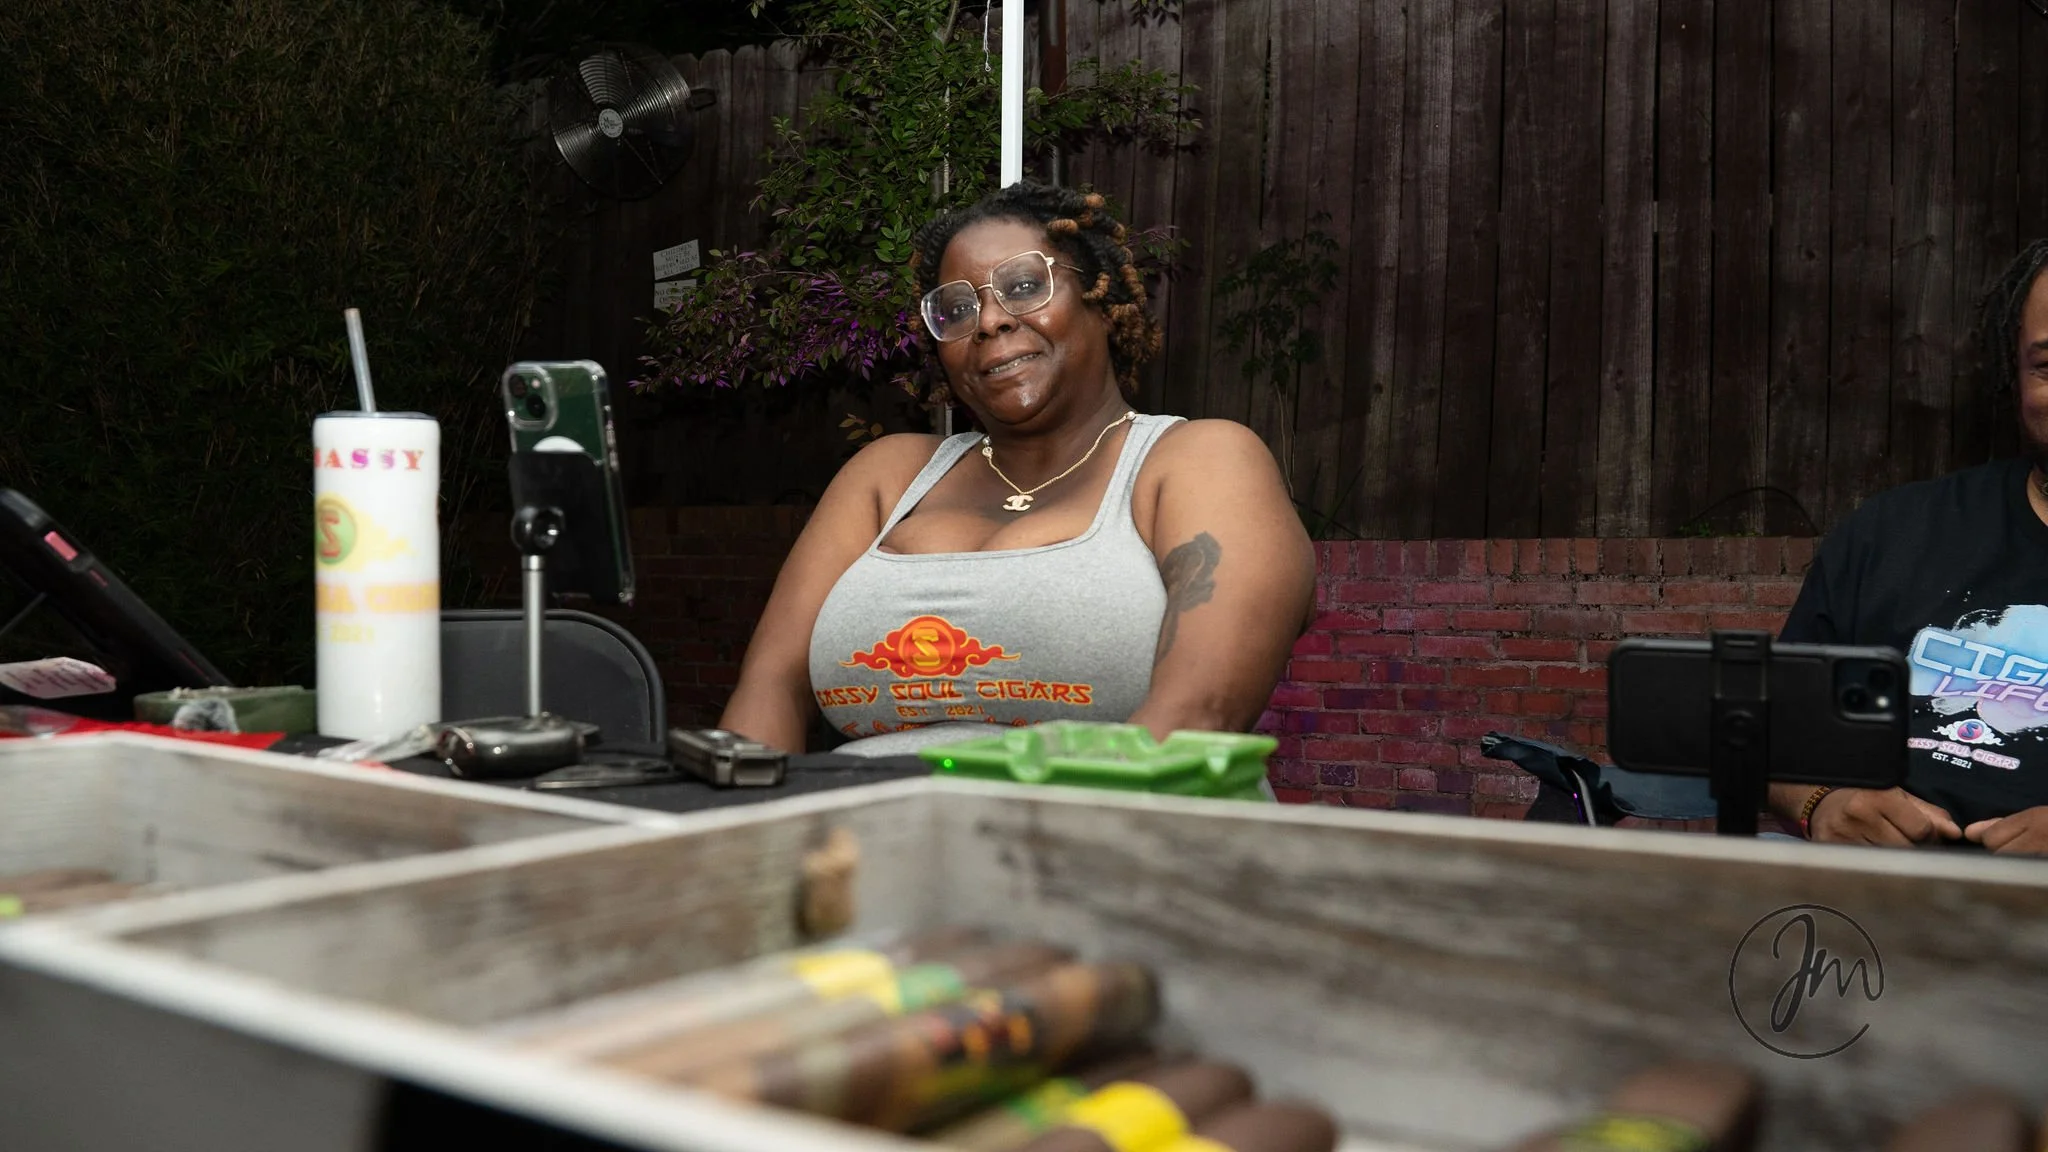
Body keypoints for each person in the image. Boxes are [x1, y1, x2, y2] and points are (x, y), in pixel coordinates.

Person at [718, 182, 1316, 756]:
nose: (988, 321)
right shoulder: (888, 477)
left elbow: (1197, 716)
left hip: (1092, 840)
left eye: (1025, 286)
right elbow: (768, 689)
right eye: (956, 309)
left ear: (1102, 303)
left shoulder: (1197, 461)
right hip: (861, 844)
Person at [1773, 239, 2048, 854]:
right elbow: (1775, 734)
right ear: (2015, 376)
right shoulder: (1893, 533)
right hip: (1870, 915)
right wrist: (1821, 803)